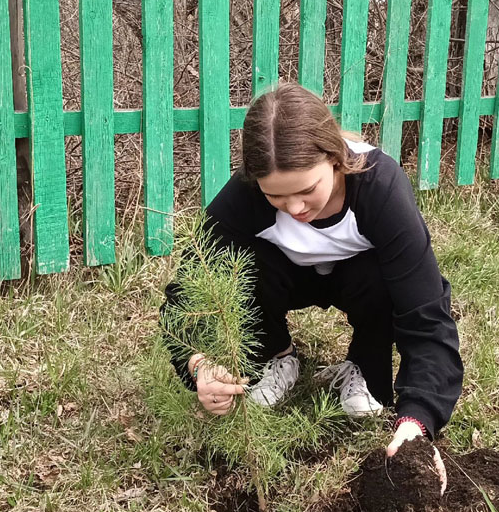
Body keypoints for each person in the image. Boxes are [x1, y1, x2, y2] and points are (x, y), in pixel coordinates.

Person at [162, 82, 463, 456]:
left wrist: (418, 419)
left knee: (382, 278)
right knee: (242, 266)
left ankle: (365, 367)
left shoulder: (380, 188)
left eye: (307, 190)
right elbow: (186, 293)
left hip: (361, 280)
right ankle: (275, 355)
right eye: (276, 196)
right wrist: (198, 365)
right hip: (283, 277)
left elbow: (426, 313)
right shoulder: (244, 196)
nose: (295, 208)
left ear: (335, 158)